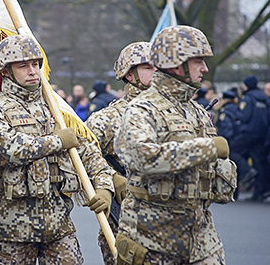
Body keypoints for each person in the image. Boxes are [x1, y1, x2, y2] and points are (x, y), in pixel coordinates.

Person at [0, 34, 115, 264]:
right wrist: (57, 141)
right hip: (10, 230)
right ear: (6, 71)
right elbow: (10, 149)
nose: (32, 71)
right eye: (23, 66)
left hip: (58, 226)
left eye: (35, 64)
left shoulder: (56, 108)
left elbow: (89, 153)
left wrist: (104, 187)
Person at [115, 25, 237, 264]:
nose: (205, 68)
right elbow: (143, 157)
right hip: (153, 242)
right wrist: (208, 149)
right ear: (175, 64)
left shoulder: (197, 112)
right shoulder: (142, 108)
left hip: (202, 242)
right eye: (198, 61)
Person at [85, 41, 156, 265]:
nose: (156, 73)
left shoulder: (174, 114)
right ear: (129, 74)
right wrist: (109, 178)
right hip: (127, 220)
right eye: (148, 68)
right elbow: (80, 154)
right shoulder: (106, 118)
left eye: (158, 67)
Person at [230, 75, 270, 202]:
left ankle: (247, 171)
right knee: (259, 162)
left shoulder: (248, 98)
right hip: (262, 135)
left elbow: (245, 116)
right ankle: (260, 193)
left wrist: (235, 114)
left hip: (248, 133)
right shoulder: (265, 98)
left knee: (231, 150)